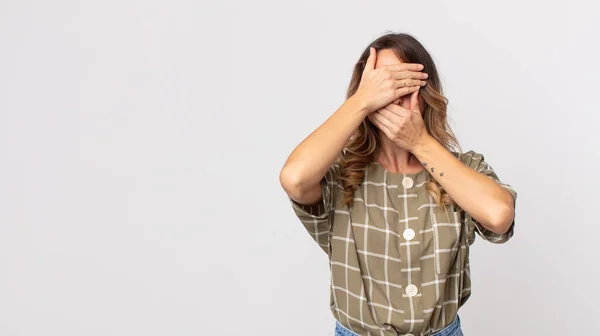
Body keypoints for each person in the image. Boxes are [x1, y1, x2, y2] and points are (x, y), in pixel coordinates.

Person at [279, 33, 518, 336]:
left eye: (404, 83)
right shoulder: (339, 175)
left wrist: (420, 142)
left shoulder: (461, 169)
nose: (393, 96)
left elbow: (499, 216)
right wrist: (362, 102)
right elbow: (294, 178)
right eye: (383, 84)